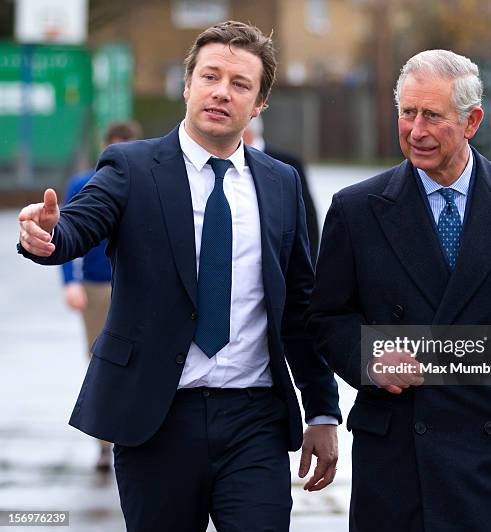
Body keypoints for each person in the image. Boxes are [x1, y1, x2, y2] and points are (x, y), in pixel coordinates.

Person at [17, 20, 340, 532]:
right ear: (187, 85)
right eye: (210, 76)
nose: (221, 92)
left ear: (258, 104)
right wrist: (49, 236)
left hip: (254, 419)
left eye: (240, 84)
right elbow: (80, 224)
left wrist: (322, 410)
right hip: (156, 418)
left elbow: (298, 305)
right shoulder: (131, 167)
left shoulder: (281, 183)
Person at [307, 50, 491, 532]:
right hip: (398, 462)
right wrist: (368, 358)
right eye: (407, 113)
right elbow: (328, 317)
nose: (415, 130)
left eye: (432, 115)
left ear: (472, 120)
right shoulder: (356, 210)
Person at [61, 120, 142, 472]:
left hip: (136, 285)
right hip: (95, 286)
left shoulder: (147, 183)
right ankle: (104, 442)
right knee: (101, 360)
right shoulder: (83, 184)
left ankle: (135, 432)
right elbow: (63, 231)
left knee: (140, 359)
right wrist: (69, 281)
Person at [243, 116, 320, 263]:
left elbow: (307, 223)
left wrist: (310, 274)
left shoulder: (288, 164)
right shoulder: (218, 163)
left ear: (247, 130)